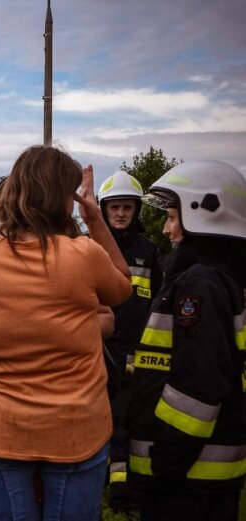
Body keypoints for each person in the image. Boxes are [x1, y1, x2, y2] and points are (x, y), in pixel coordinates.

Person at [0, 145, 133, 520]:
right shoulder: (83, 254)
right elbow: (123, 286)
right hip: (76, 430)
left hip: (4, 429)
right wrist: (95, 220)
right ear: (63, 198)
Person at [127, 160, 246, 521]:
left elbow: (201, 381)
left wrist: (168, 457)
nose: (165, 229)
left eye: (172, 217)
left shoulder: (201, 284)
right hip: (195, 474)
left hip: (186, 477)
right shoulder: (213, 278)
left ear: (202, 215)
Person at [97, 171, 163, 516]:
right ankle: (107, 481)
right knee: (103, 415)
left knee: (131, 417)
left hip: (136, 349)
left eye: (126, 207)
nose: (120, 213)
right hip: (101, 346)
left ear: (136, 210)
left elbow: (158, 302)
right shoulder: (93, 247)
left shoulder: (148, 250)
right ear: (104, 210)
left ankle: (125, 489)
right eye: (114, 207)